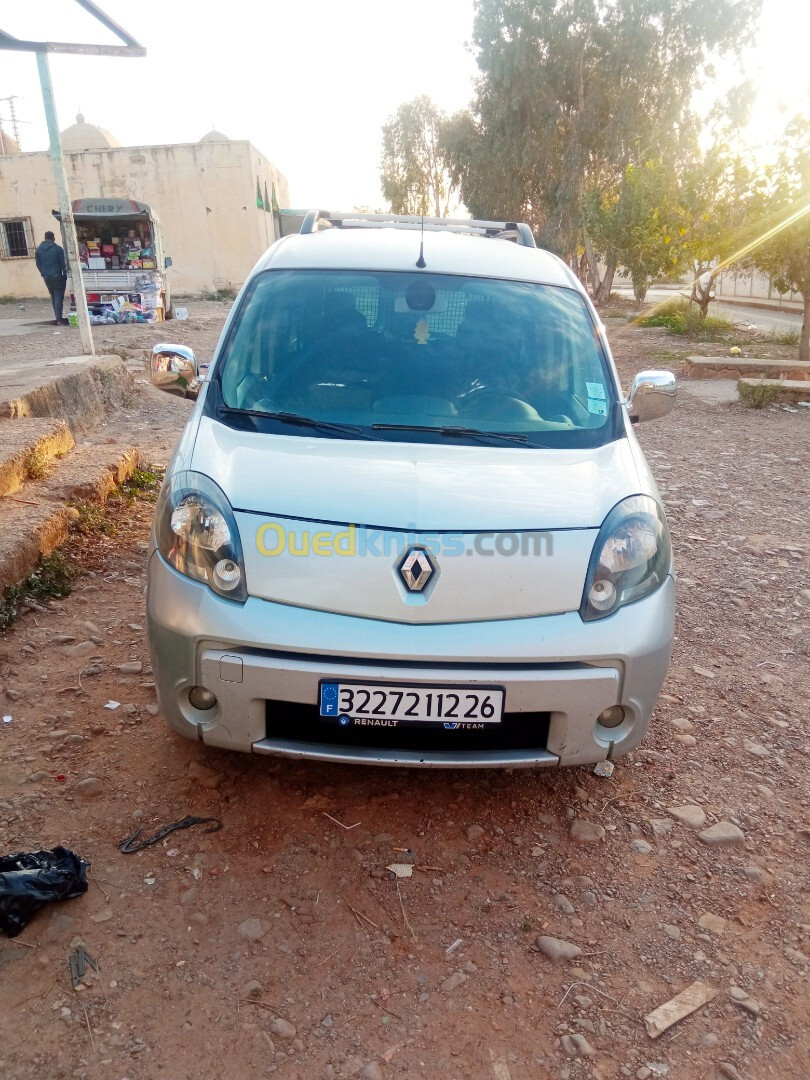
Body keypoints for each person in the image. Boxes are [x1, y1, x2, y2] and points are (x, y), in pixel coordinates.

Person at [35, 230, 69, 326]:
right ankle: (59, 320)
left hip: (46, 276)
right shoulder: (58, 249)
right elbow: (63, 264)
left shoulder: (38, 249)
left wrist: (43, 273)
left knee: (53, 297)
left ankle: (57, 318)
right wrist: (65, 275)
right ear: (53, 239)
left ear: (45, 238)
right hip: (57, 275)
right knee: (58, 297)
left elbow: (38, 264)